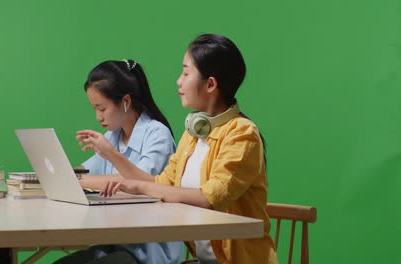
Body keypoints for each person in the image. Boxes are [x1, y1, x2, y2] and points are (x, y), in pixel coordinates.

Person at [78, 34, 278, 264]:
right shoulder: (193, 133)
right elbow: (163, 183)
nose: (178, 81)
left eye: (185, 73)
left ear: (210, 84)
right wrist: (132, 184)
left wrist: (138, 185)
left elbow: (209, 198)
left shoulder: (242, 134)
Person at [54, 60, 184, 264]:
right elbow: (87, 171)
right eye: (94, 109)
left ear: (125, 101)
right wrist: (57, 173)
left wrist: (83, 176)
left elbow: (139, 184)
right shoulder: (114, 135)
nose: (98, 116)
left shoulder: (158, 134)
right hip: (117, 243)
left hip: (149, 251)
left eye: (102, 108)